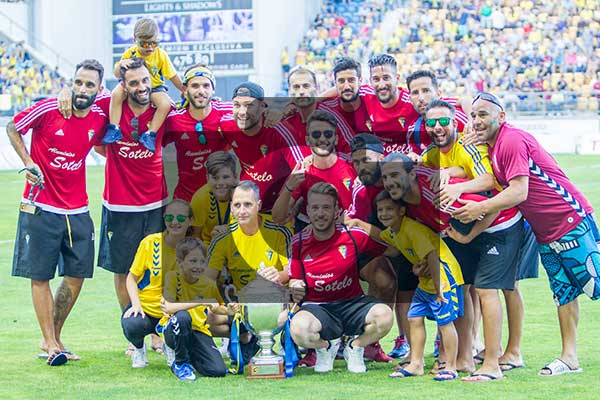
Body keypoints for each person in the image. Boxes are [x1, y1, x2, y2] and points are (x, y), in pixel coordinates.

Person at [453, 91, 600, 377]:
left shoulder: (511, 139)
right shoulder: (493, 147)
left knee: (595, 284)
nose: (476, 120)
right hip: (547, 231)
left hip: (569, 219)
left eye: (483, 114)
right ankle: (569, 357)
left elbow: (520, 191)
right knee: (564, 292)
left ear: (502, 116)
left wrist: (478, 208)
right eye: (473, 116)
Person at [8, 59, 107, 366]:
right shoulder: (49, 108)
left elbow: (117, 96)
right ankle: (51, 343)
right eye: (77, 82)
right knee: (40, 276)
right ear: (71, 82)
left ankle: (54, 335)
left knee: (77, 275)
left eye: (89, 84)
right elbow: (13, 127)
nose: (81, 89)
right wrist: (28, 161)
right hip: (40, 207)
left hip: (77, 209)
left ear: (98, 89)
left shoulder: (101, 116)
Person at [348, 191, 464, 381]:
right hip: (426, 281)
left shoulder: (412, 229)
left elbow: (433, 256)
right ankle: (416, 364)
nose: (384, 214)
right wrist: (359, 223)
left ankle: (450, 367)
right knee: (414, 318)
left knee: (445, 322)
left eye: (389, 209)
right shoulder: (394, 231)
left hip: (443, 277)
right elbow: (382, 236)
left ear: (402, 210)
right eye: (380, 210)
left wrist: (439, 288)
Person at [96, 57, 169, 353]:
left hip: (155, 204)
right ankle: (134, 332)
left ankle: (158, 333)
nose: (140, 87)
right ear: (124, 87)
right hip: (119, 205)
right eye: (133, 83)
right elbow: (83, 111)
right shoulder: (110, 107)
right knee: (123, 269)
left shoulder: (163, 109)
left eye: (144, 81)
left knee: (158, 268)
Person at [288, 182, 393, 374]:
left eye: (326, 207)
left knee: (384, 316)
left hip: (352, 304)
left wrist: (363, 224)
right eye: (315, 208)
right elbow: (294, 278)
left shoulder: (354, 235)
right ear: (308, 212)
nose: (320, 213)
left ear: (337, 210)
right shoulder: (298, 242)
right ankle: (325, 348)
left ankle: (355, 347)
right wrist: (295, 285)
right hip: (318, 308)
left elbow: (392, 246)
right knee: (298, 329)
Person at [347, 134, 417, 361]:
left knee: (409, 291)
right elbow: (354, 227)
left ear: (382, 157)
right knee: (382, 279)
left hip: (407, 246)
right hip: (373, 248)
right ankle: (368, 340)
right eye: (356, 162)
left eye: (366, 160)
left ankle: (407, 341)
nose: (361, 167)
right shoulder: (359, 189)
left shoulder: (399, 182)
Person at [120, 199, 194, 368]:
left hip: (171, 311)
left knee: (182, 319)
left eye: (181, 219)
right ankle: (139, 349)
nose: (175, 222)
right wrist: (136, 304)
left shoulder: (193, 249)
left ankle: (171, 346)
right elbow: (131, 277)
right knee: (132, 323)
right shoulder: (150, 242)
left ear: (190, 221)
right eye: (170, 218)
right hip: (147, 308)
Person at [219, 82, 304, 212]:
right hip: (246, 207)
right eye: (237, 105)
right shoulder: (226, 125)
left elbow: (302, 170)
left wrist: (286, 206)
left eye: (249, 105)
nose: (242, 112)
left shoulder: (280, 130)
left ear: (262, 106)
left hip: (276, 209)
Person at [104, 17, 184, 152]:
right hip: (133, 86)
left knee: (165, 104)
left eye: (154, 43)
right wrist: (121, 65)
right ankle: (114, 128)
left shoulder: (161, 55)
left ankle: (150, 134)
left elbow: (172, 75)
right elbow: (117, 73)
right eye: (145, 44)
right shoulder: (130, 52)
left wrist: (183, 89)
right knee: (116, 93)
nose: (150, 47)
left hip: (155, 87)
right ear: (135, 40)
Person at [272, 109, 356, 229]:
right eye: (316, 134)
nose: (322, 139)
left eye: (327, 134)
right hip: (315, 230)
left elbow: (365, 208)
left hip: (348, 230)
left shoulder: (351, 165)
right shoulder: (302, 169)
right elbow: (278, 217)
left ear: (336, 139)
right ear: (307, 140)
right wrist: (288, 188)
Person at [161, 237, 228, 380]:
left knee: (218, 370)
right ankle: (180, 363)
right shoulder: (172, 277)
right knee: (183, 317)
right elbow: (169, 307)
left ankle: (190, 357)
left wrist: (232, 310)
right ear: (180, 262)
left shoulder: (209, 284)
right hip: (173, 329)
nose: (198, 266)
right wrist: (200, 302)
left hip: (199, 331)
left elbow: (219, 307)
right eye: (192, 261)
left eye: (202, 261)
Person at [164, 64, 231, 201]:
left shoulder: (228, 111)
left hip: (222, 196)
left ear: (213, 90)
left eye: (206, 86)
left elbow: (257, 112)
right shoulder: (174, 119)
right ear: (185, 90)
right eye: (195, 86)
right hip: (187, 198)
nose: (201, 91)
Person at [405, 70, 469, 154]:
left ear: (438, 94)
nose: (421, 98)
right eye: (415, 93)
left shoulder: (459, 118)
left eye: (426, 91)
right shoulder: (414, 133)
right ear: (410, 99)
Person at [190, 151, 239, 246]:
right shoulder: (200, 198)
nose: (220, 182)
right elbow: (195, 235)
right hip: (209, 246)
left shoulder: (244, 196)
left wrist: (231, 230)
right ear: (207, 178)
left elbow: (250, 229)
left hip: (237, 246)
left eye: (225, 177)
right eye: (215, 178)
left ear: (235, 177)